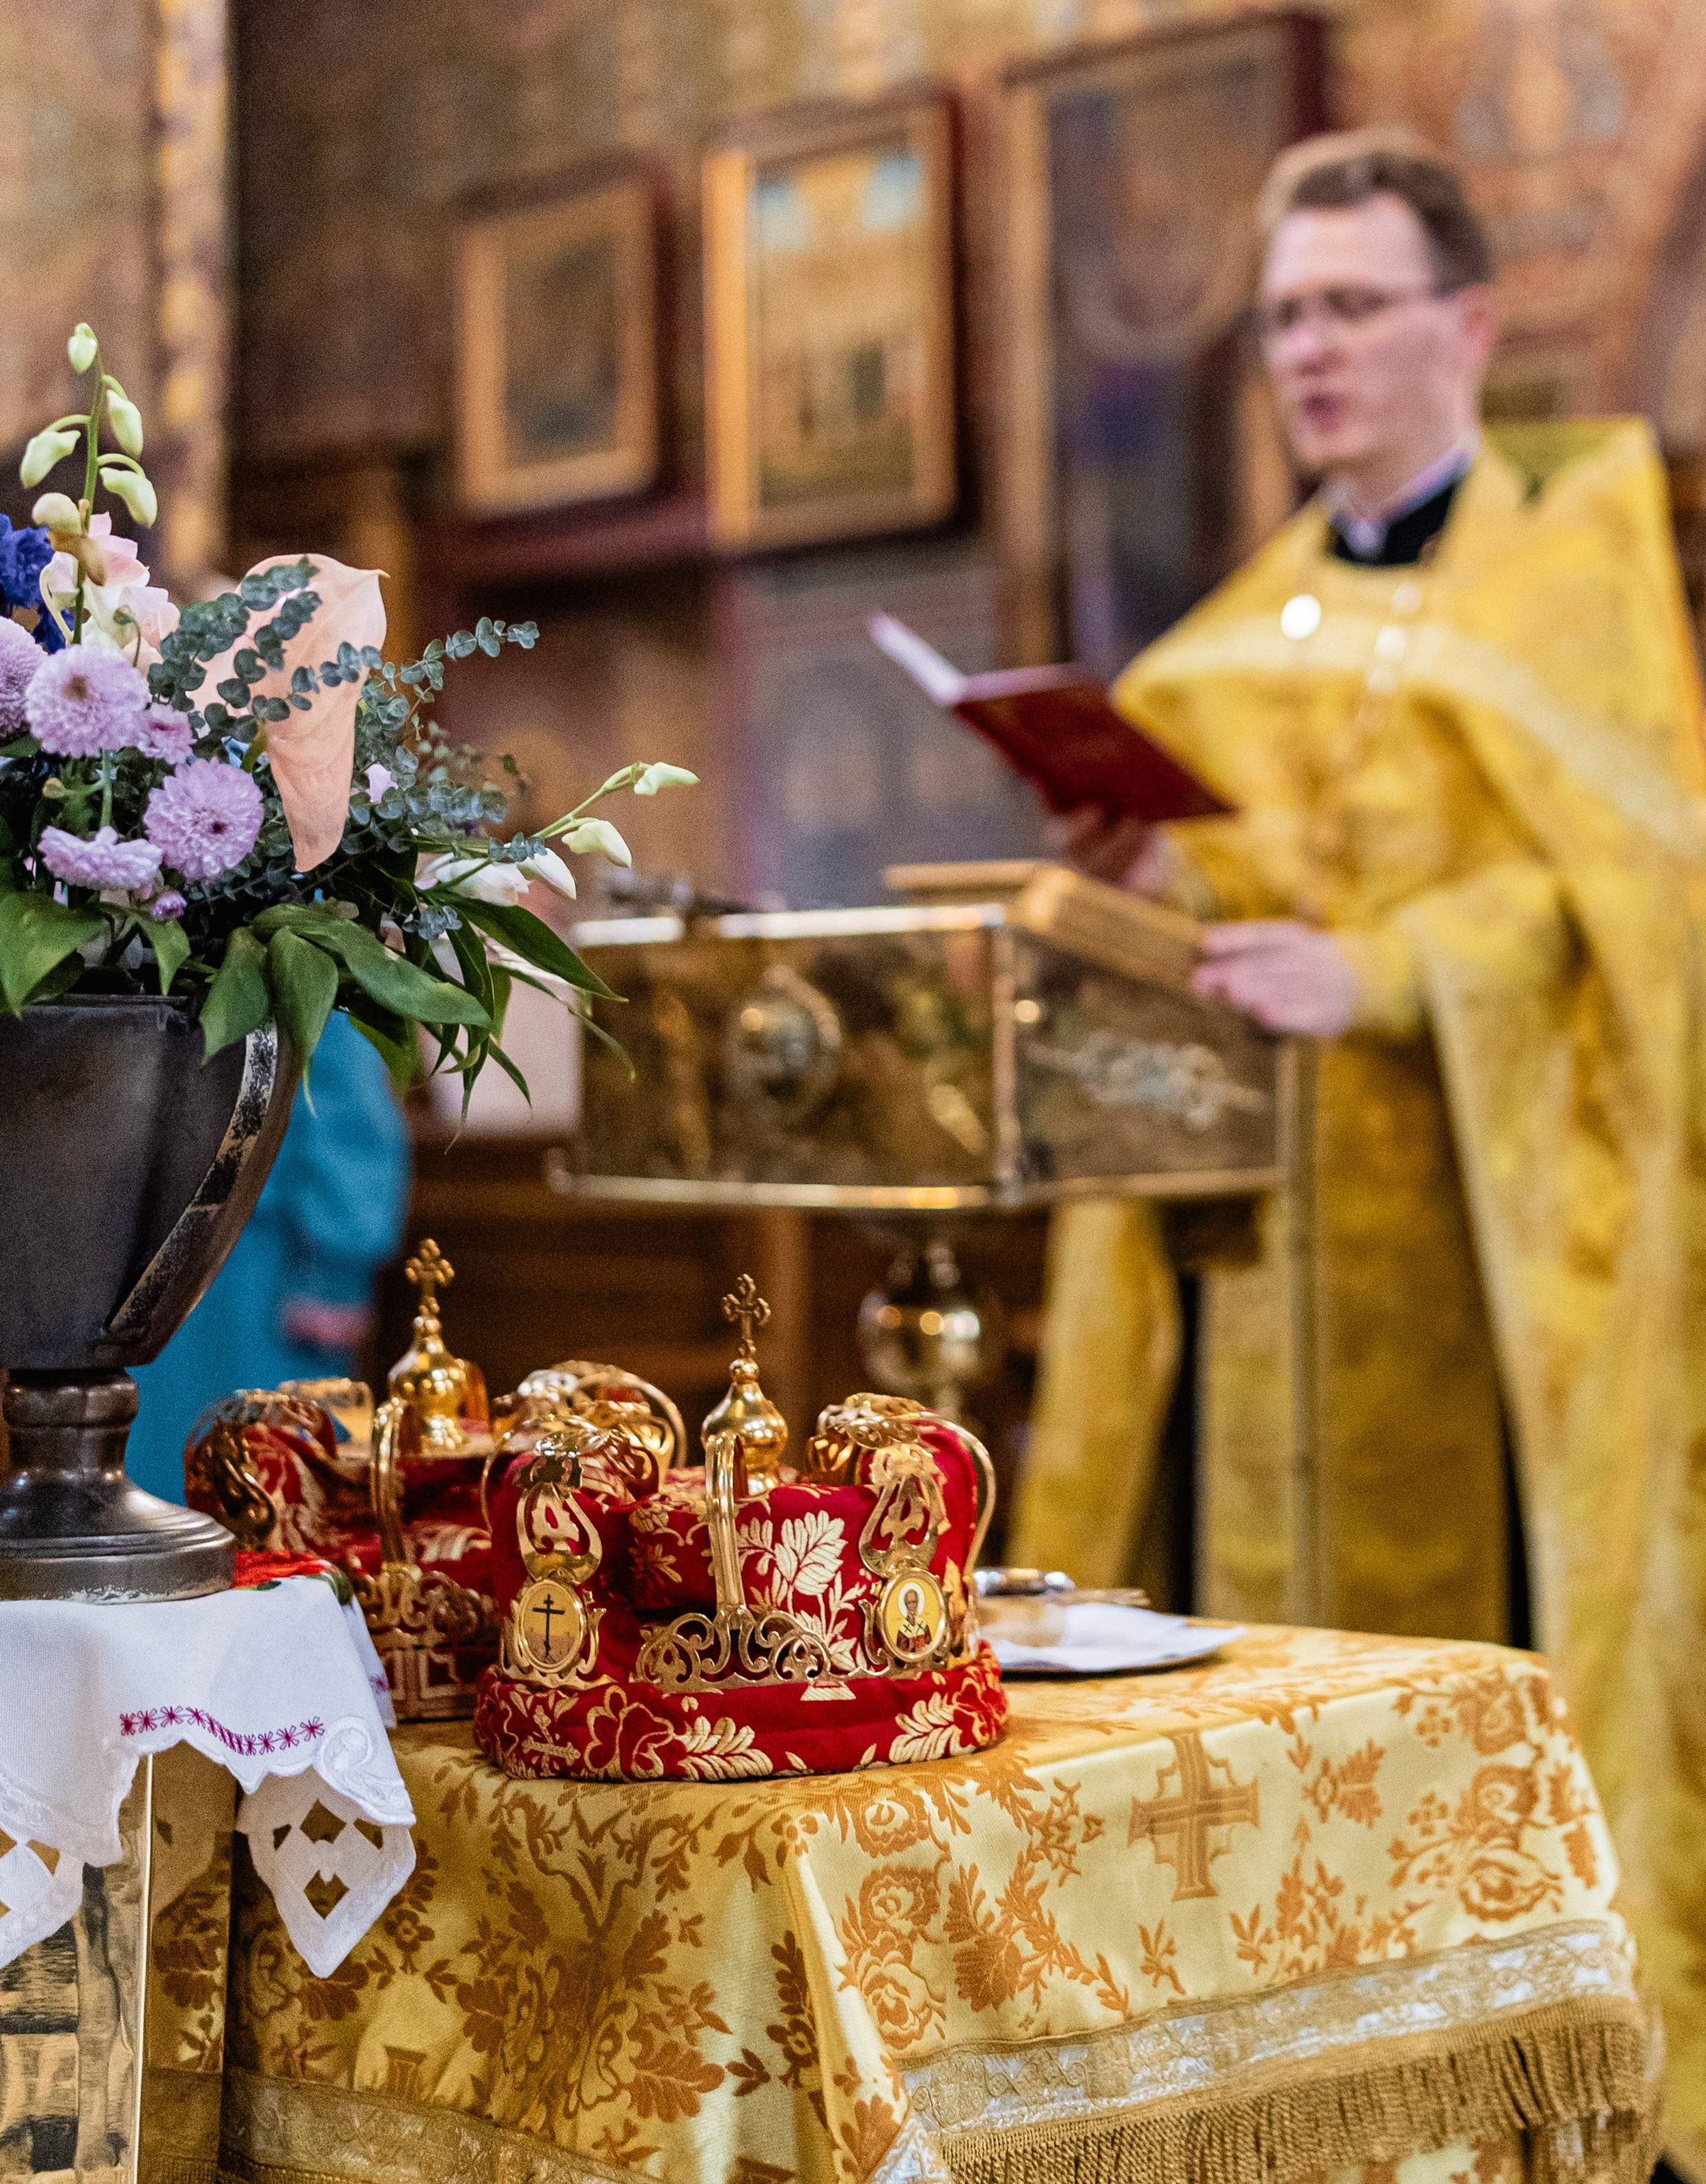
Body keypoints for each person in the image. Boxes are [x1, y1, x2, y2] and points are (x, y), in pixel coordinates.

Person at [1010, 129, 1706, 2144]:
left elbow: (1641, 921)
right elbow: (1199, 953)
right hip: (1246, 1295)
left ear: (1463, 324)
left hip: (1485, 1307)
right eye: (1284, 315)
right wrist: (1134, 869)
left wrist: (1391, 970)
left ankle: (1516, 2103)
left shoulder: (1568, 588)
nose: (1307, 350)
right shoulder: (1226, 642)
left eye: (1350, 305)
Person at [126, 1012, 412, 1499]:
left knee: (270, 1485)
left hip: (260, 1269)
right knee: (154, 1490)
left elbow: (347, 1106)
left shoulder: (292, 948)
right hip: (143, 1255)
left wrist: (333, 1272)